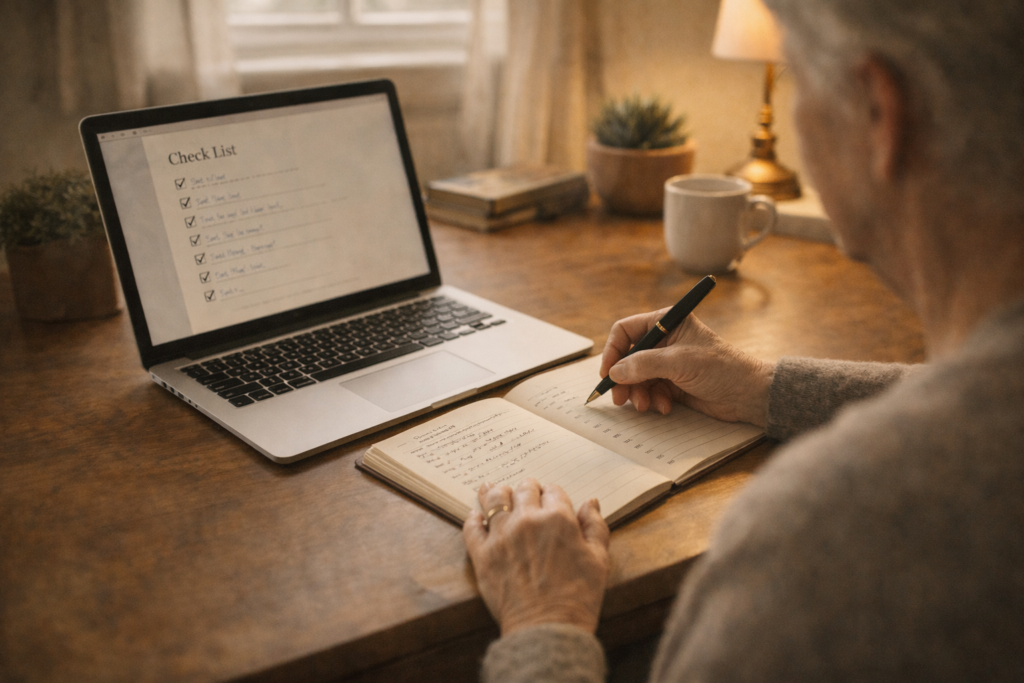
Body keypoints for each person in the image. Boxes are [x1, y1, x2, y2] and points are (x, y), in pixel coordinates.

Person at [461, 0, 1024, 681]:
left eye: (793, 77)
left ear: (880, 114)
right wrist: (763, 387)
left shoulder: (824, 538)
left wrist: (543, 622)